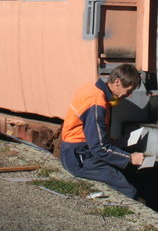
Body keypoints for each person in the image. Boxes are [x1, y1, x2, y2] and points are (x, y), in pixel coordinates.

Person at [59, 63, 145, 199]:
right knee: (127, 190)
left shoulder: (92, 89)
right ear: (117, 82)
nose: (129, 95)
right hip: (80, 157)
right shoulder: (96, 102)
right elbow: (99, 147)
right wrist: (130, 158)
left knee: (118, 173)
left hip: (75, 151)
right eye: (128, 90)